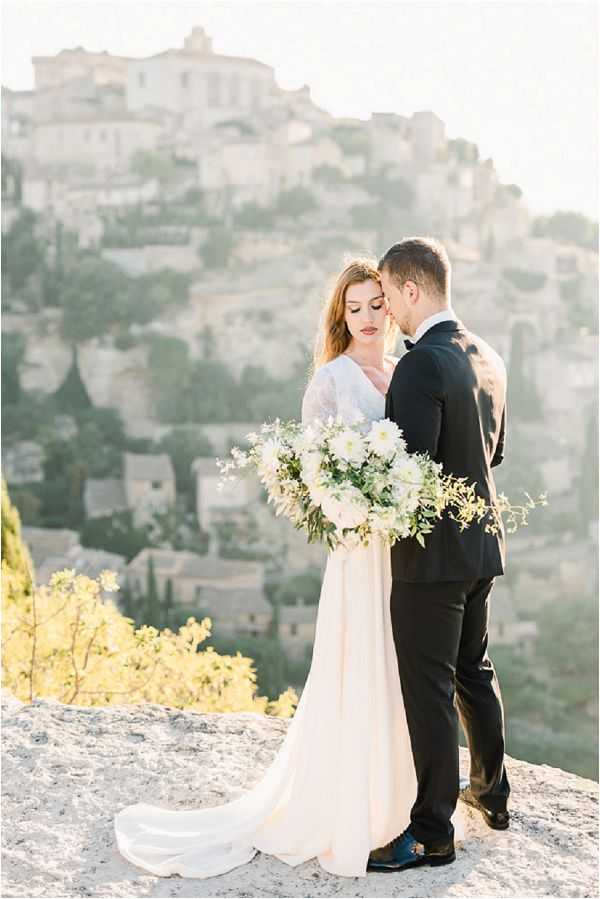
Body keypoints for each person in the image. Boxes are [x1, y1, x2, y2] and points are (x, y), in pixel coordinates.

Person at [113, 257, 466, 879]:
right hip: (360, 557)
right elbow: (318, 480)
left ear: (393, 306)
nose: (365, 318)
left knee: (404, 674)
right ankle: (347, 807)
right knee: (361, 667)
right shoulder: (329, 381)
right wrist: (358, 502)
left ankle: (401, 804)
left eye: (375, 305)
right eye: (352, 308)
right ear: (340, 316)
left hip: (403, 553)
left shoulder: (407, 372)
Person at [366, 237, 510, 875]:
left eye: (390, 297)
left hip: (430, 559)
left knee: (427, 690)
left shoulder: (420, 365)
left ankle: (430, 835)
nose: (388, 313)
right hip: (482, 547)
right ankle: (493, 794)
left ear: (411, 289)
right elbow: (493, 454)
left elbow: (409, 466)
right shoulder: (489, 357)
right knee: (473, 670)